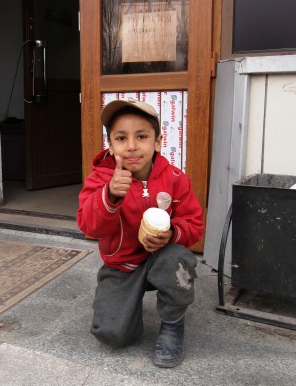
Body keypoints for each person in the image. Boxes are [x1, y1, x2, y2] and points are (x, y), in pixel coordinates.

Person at [77, 99, 205, 368]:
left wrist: (172, 233)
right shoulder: (101, 179)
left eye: (142, 136)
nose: (132, 146)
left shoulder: (176, 178)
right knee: (111, 335)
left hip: (162, 258)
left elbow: (194, 224)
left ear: (157, 142)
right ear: (110, 145)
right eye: (121, 138)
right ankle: (126, 311)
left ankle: (172, 324)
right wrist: (110, 195)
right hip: (122, 265)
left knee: (177, 260)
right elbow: (89, 226)